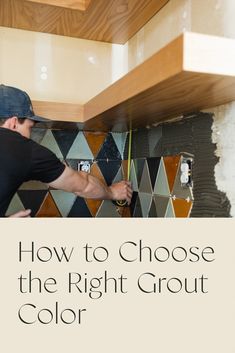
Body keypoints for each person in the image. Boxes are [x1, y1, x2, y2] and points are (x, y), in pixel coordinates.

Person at [0, 84, 132, 217]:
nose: (29, 135)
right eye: (30, 127)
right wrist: (112, 192)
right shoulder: (24, 149)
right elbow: (83, 185)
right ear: (14, 122)